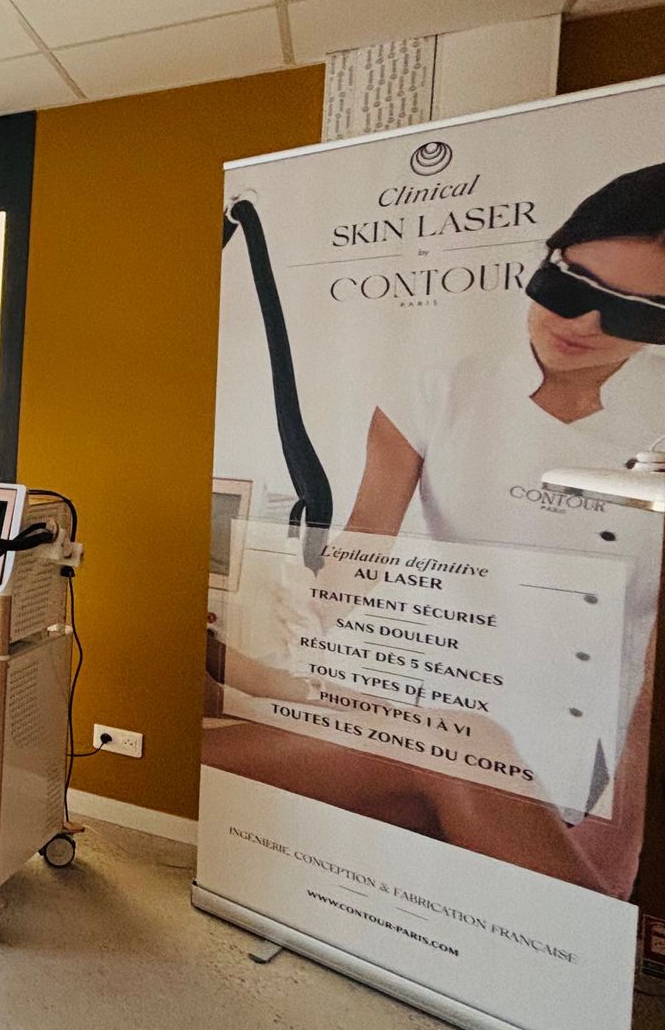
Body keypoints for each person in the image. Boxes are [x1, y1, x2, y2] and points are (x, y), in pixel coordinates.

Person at [208, 163, 665, 898]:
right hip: (447, 698)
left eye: (632, 313)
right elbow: (360, 551)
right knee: (460, 756)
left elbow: (651, 659)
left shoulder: (657, 420)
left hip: (583, 746)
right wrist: (300, 623)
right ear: (547, 260)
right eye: (569, 288)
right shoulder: (441, 390)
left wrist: (625, 825)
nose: (584, 323)